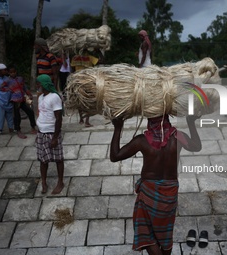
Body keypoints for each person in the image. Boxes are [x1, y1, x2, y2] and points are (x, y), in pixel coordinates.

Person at [110, 114, 202, 255]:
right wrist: (191, 122)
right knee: (165, 232)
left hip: (149, 194)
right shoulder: (178, 136)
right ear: (167, 118)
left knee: (145, 232)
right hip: (170, 194)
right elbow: (196, 146)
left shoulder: (142, 140)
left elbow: (115, 156)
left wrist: (118, 128)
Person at [36, 74, 64, 195]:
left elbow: (59, 118)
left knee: (58, 159)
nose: (37, 86)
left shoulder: (54, 97)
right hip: (41, 132)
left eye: (38, 84)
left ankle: (60, 182)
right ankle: (44, 182)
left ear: (43, 85)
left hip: (52, 133)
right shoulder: (41, 97)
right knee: (43, 160)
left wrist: (55, 137)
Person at [70, 49, 99, 127]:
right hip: (87, 81)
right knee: (88, 100)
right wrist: (99, 50)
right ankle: (87, 121)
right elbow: (100, 62)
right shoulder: (90, 58)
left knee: (79, 100)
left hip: (77, 81)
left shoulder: (75, 58)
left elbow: (72, 70)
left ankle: (81, 119)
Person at [8, 65, 37, 138]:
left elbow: (24, 88)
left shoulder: (20, 79)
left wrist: (29, 94)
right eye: (11, 72)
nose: (13, 73)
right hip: (15, 100)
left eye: (14, 72)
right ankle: (18, 130)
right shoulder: (7, 81)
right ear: (9, 73)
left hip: (22, 99)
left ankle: (33, 127)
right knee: (17, 115)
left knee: (30, 111)